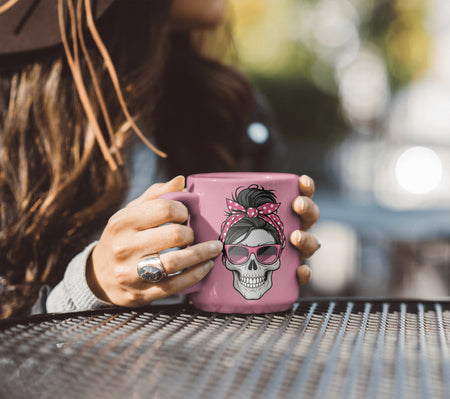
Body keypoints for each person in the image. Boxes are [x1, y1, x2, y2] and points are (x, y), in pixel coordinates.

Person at [0, 0, 320, 318]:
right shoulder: (10, 119)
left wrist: (282, 265)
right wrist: (89, 286)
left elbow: (267, 288)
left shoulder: (231, 109)